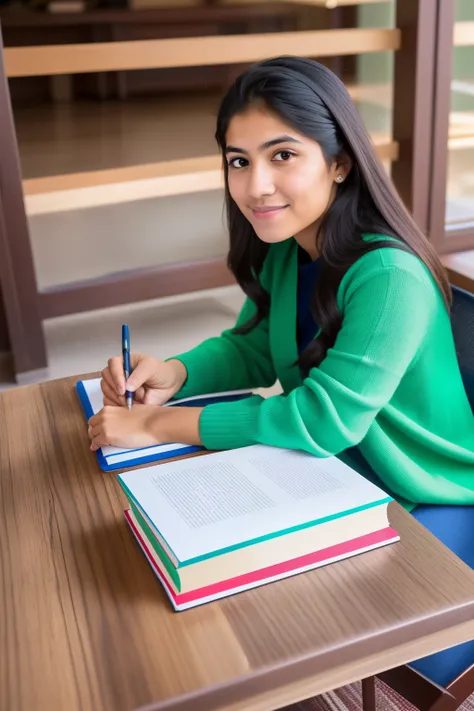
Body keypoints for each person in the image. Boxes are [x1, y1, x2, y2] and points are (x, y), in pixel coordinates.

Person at [89, 57, 474, 686]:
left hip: (426, 488)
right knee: (196, 581)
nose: (256, 185)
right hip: (337, 466)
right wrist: (176, 373)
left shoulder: (388, 275)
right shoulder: (291, 249)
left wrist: (160, 423)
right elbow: (251, 349)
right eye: (238, 161)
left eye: (282, 155)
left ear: (340, 161)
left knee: (269, 616)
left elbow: (322, 419)